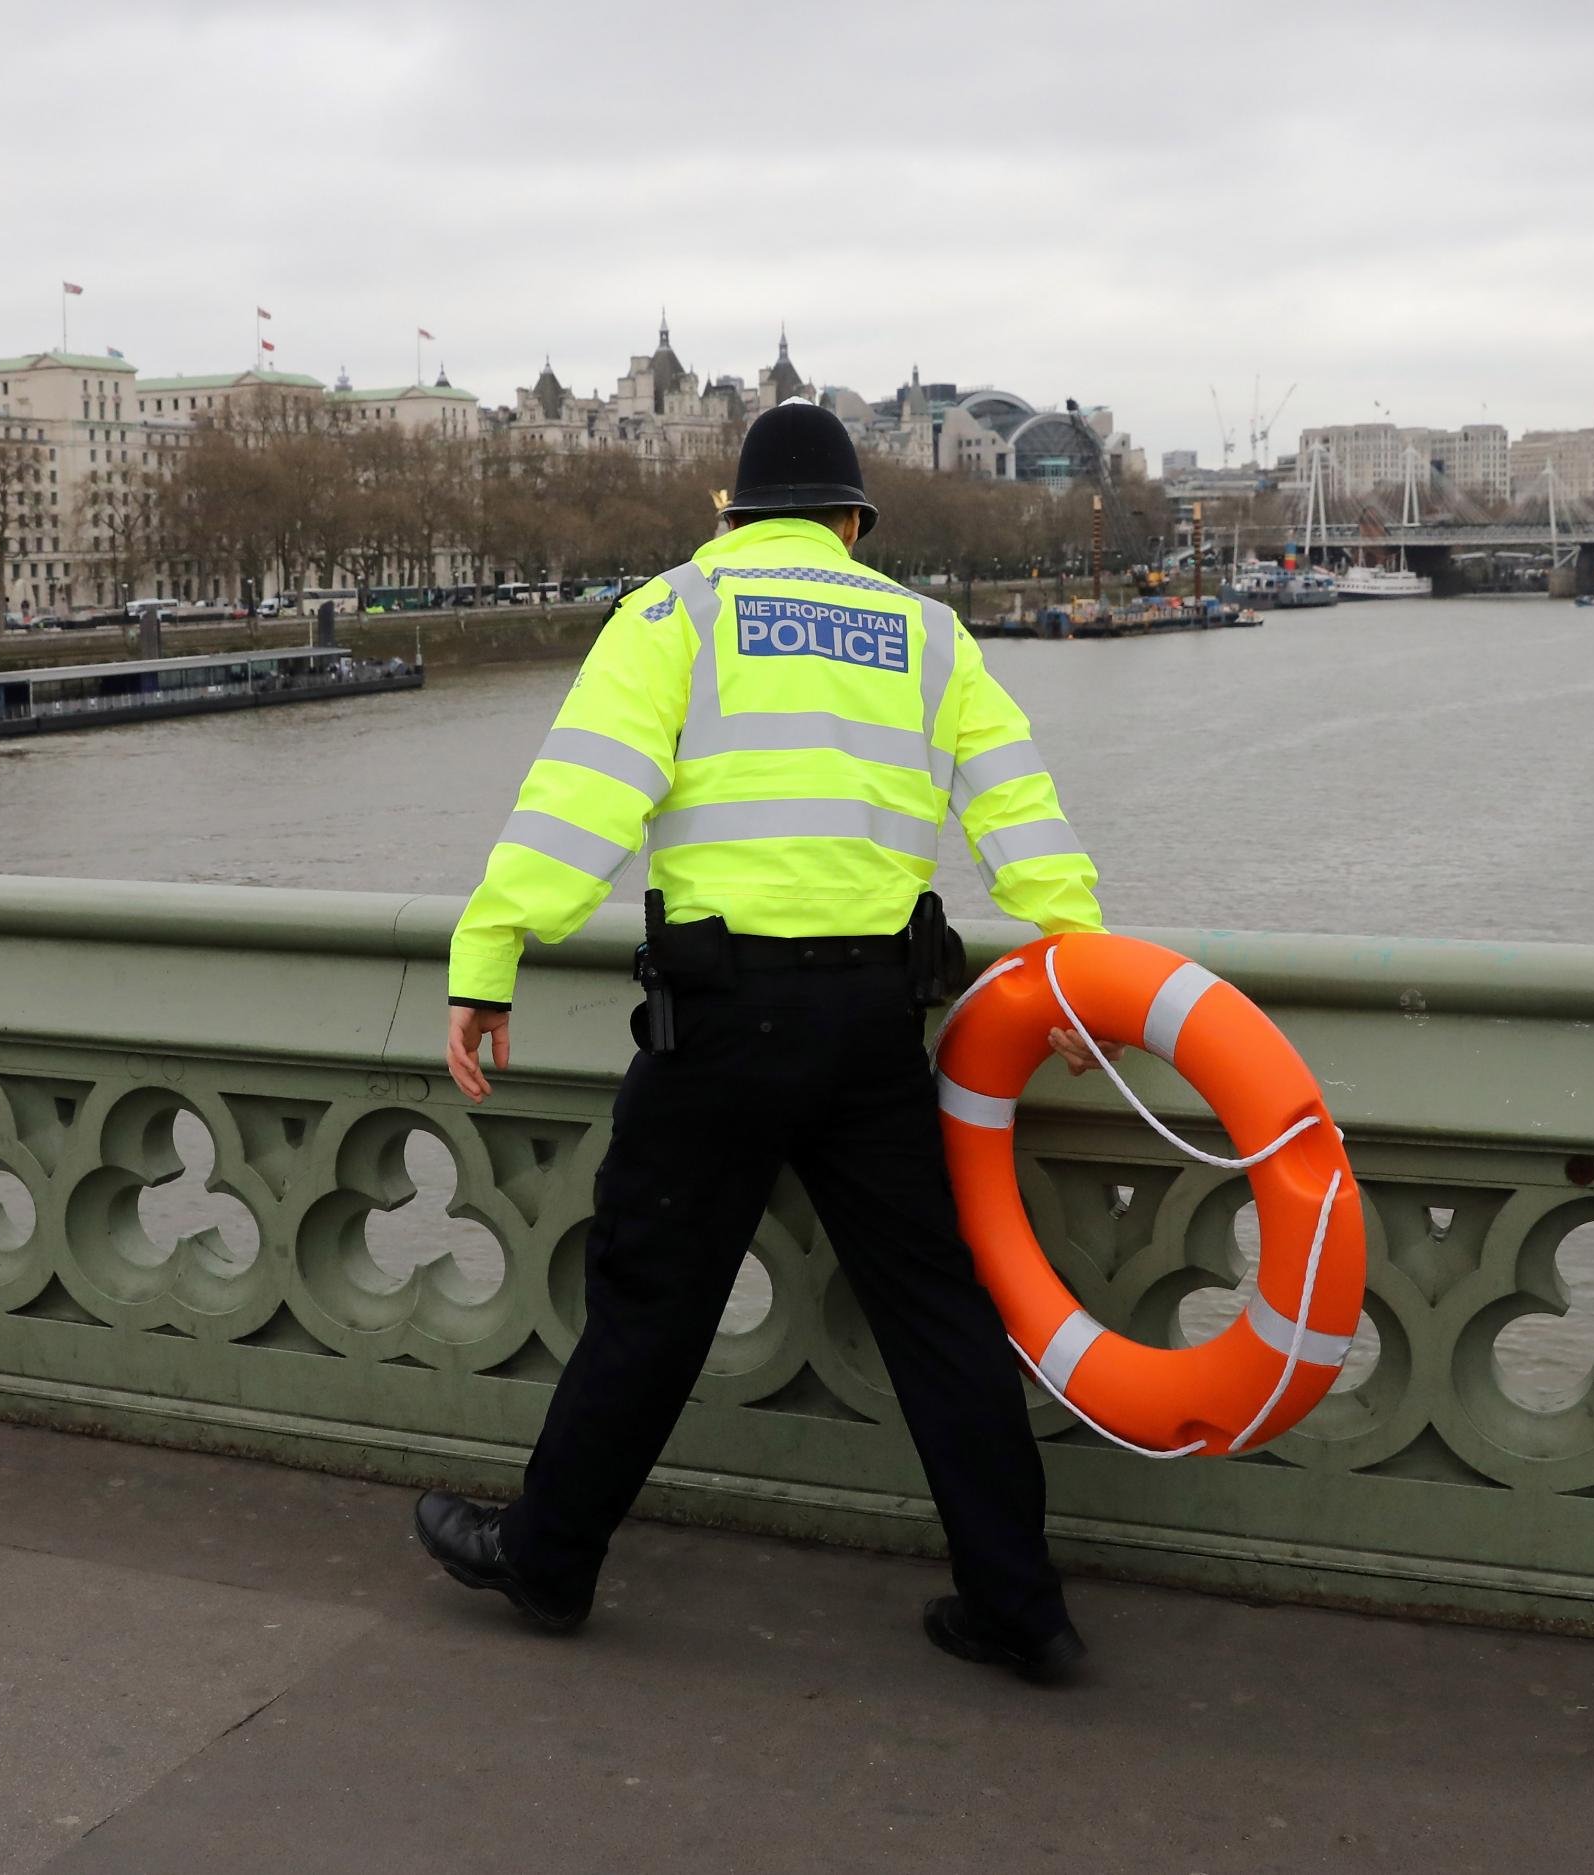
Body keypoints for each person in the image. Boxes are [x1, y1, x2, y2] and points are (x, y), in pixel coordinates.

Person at [417, 397, 1114, 1686]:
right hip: (876, 1030)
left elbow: (580, 804)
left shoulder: (673, 613)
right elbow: (1021, 812)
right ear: (855, 523)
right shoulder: (928, 633)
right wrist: (1073, 966)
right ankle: (1020, 1605)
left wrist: (490, 957)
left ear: (726, 514)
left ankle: (550, 1558)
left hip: (721, 1024)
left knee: (653, 1303)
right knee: (936, 1315)